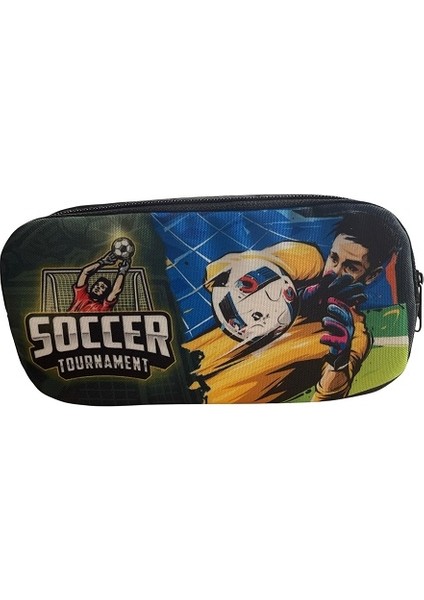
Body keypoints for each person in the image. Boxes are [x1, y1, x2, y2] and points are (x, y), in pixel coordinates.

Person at [185, 213, 399, 403]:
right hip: (182, 360)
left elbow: (327, 398)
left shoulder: (354, 335)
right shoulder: (308, 262)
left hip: (211, 401)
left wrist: (338, 361)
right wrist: (299, 296)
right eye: (333, 258)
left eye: (350, 267)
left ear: (371, 276)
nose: (334, 271)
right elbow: (216, 273)